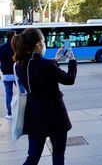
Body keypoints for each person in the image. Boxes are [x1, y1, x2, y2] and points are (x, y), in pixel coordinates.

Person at [11, 28, 77, 165]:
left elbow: (39, 70)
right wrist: (72, 61)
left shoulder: (19, 65)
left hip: (34, 116)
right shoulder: (47, 65)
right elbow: (69, 79)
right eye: (44, 42)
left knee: (32, 157)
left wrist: (55, 60)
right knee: (58, 155)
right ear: (38, 45)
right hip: (55, 115)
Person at [0, 30, 18, 119]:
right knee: (23, 93)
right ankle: (23, 111)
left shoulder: (2, 47)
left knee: (8, 94)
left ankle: (10, 113)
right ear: (13, 36)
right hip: (17, 74)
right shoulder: (16, 47)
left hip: (6, 75)